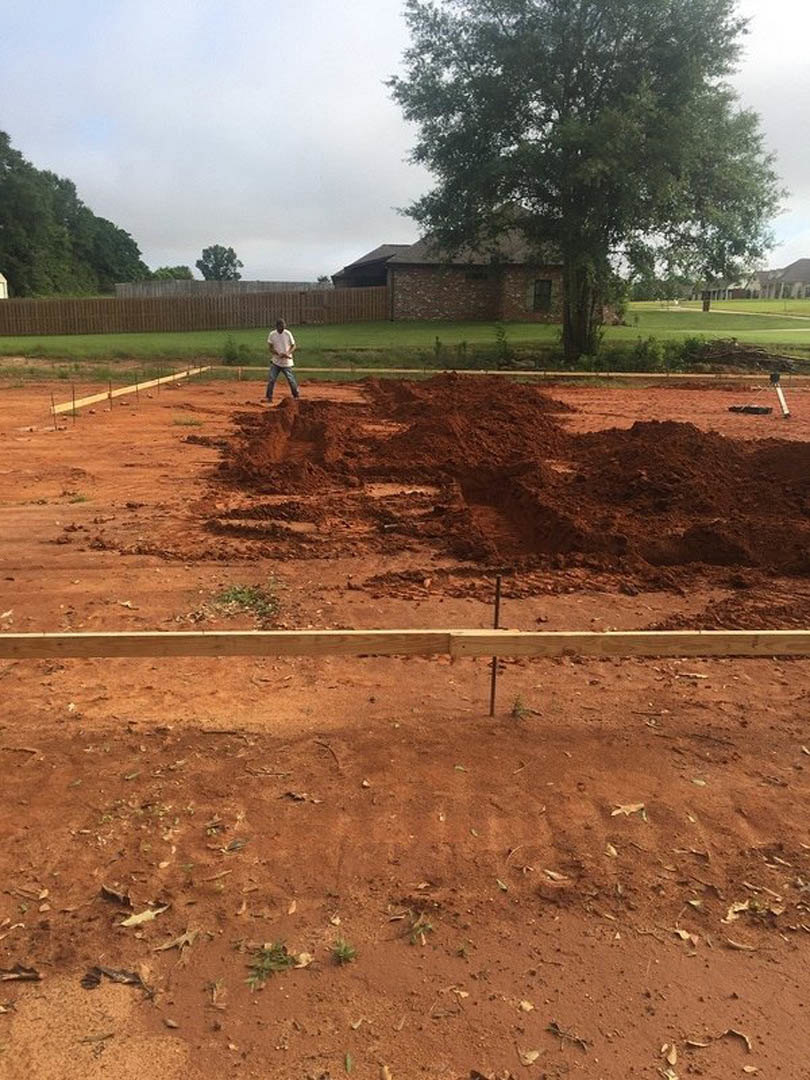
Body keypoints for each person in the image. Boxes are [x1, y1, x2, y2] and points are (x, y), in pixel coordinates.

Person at [264, 318, 300, 402]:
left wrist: (287, 353)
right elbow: (270, 347)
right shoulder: (272, 334)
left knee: (291, 380)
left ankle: (296, 396)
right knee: (271, 379)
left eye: (284, 326)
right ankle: (269, 397)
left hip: (286, 363)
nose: (283, 328)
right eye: (281, 327)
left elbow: (293, 346)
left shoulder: (288, 333)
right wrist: (277, 354)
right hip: (276, 361)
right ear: (277, 327)